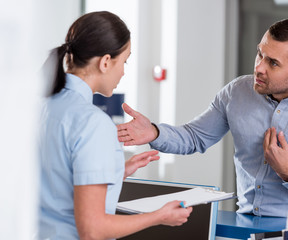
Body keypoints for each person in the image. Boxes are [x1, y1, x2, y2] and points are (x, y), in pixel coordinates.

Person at [117, 18, 288, 217]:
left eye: (273, 63)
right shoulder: (237, 92)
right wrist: (155, 132)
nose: (259, 67)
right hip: (242, 224)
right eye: (260, 55)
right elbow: (194, 137)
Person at [38, 11, 192, 239]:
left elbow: (55, 182)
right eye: (124, 61)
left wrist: (116, 170)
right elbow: (93, 230)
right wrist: (159, 216)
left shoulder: (41, 107)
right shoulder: (93, 123)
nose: (123, 71)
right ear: (106, 62)